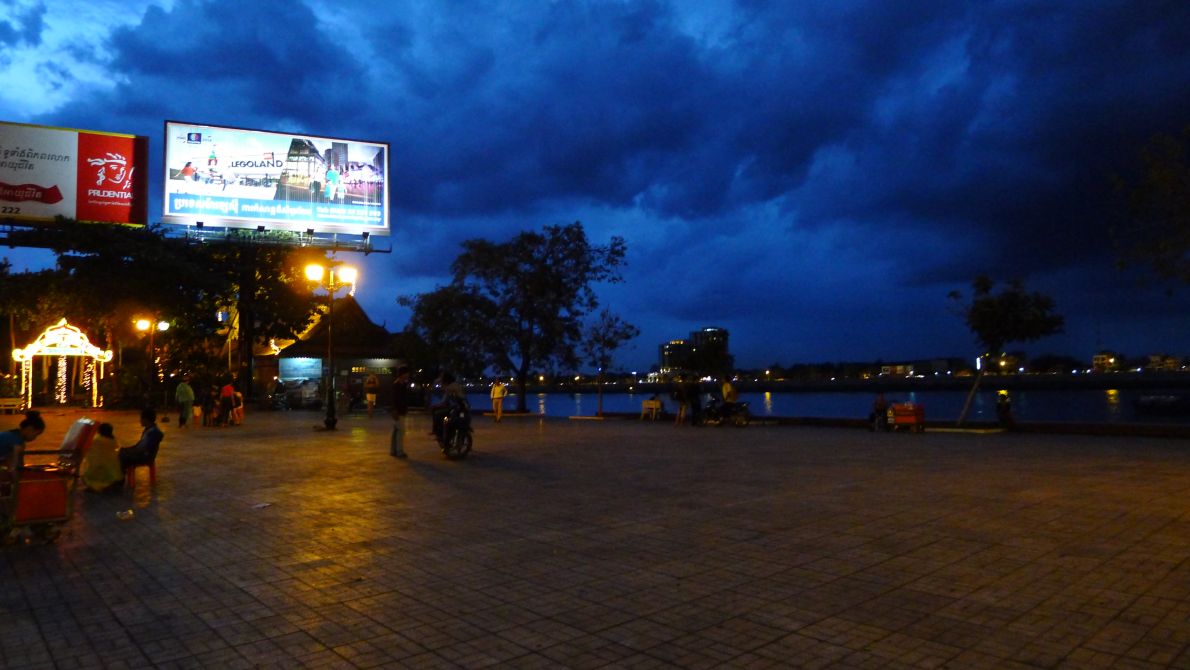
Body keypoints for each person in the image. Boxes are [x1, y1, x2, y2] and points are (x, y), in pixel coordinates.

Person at [119, 408, 164, 474]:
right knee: (122, 453)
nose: (140, 421)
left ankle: (121, 477)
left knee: (122, 457)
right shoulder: (149, 430)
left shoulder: (153, 432)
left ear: (146, 420)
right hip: (144, 455)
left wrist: (128, 451)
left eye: (141, 419)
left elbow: (142, 448)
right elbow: (140, 446)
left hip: (145, 457)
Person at [81, 423, 123, 492]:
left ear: (99, 431)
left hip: (98, 468)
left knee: (88, 473)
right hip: (114, 472)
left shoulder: (96, 441)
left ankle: (98, 486)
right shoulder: (113, 441)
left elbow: (89, 453)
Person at [431, 372, 466, 439]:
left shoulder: (449, 387)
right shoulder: (456, 385)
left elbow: (444, 401)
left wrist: (436, 406)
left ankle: (436, 431)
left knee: (437, 413)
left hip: (456, 409)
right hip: (462, 407)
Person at [390, 366, 411, 458]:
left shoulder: (403, 384)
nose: (408, 375)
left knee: (396, 431)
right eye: (407, 373)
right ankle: (399, 451)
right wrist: (394, 410)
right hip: (398, 411)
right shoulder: (397, 384)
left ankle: (393, 450)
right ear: (402, 374)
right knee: (400, 431)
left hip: (401, 410)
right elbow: (394, 399)